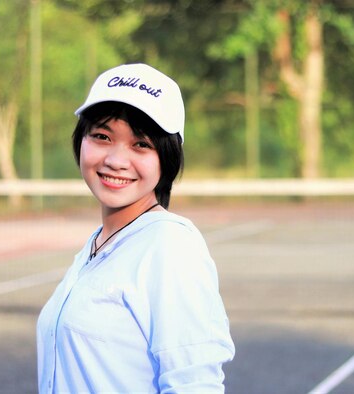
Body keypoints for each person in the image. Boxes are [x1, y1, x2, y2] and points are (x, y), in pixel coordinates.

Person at [37, 63, 235, 393]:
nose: (115, 159)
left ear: (167, 157)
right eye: (102, 136)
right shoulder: (99, 243)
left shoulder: (169, 247)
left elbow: (194, 384)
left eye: (140, 144)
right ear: (81, 142)